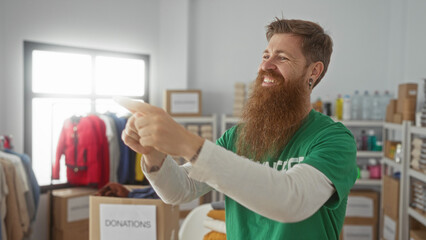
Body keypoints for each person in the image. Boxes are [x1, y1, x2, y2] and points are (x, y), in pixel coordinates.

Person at [117, 17, 357, 240]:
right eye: (265, 55)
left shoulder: (333, 139)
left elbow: (292, 201)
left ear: (313, 71)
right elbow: (180, 190)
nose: (267, 65)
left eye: (282, 57)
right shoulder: (238, 136)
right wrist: (153, 153)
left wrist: (186, 143)